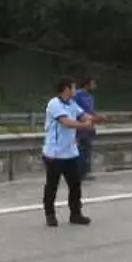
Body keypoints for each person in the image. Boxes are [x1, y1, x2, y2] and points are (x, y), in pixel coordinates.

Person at [43, 76, 96, 227]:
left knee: (75, 185)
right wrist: (84, 125)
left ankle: (75, 214)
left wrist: (94, 119)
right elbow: (66, 122)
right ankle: (50, 215)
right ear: (66, 89)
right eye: (73, 88)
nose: (75, 90)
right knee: (52, 185)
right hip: (54, 153)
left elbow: (83, 115)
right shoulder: (54, 103)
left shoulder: (72, 103)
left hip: (71, 152)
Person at [73, 75, 102, 181]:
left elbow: (91, 111)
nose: (94, 86)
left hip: (89, 126)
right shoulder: (77, 95)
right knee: (81, 150)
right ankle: (80, 173)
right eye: (93, 83)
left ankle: (86, 172)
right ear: (87, 84)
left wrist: (98, 117)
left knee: (87, 150)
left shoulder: (90, 97)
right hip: (80, 127)